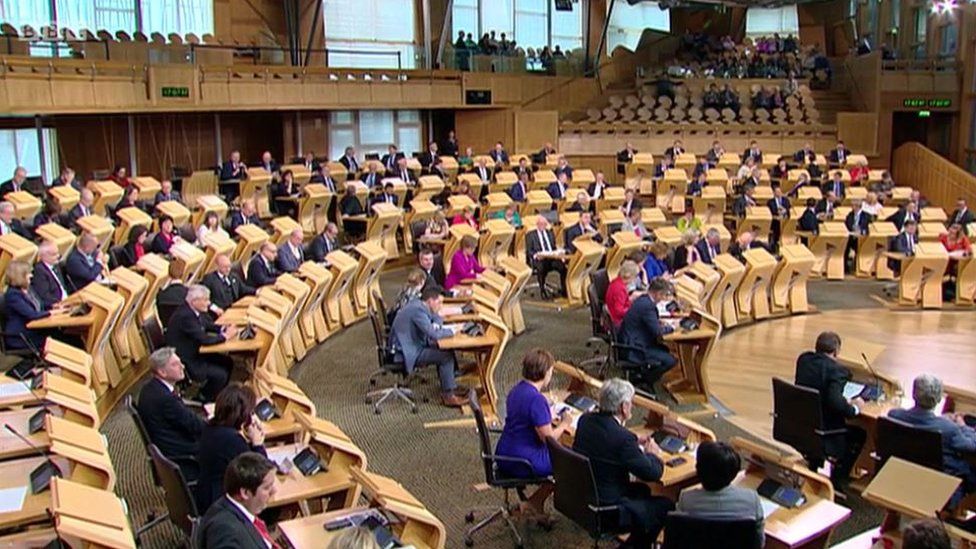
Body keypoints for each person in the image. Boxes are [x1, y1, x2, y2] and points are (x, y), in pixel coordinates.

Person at [573, 378, 673, 547]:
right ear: (623, 407)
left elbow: (608, 435)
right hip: (607, 506)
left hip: (584, 496)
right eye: (631, 403)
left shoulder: (585, 421)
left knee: (643, 491)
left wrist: (634, 438)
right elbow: (653, 473)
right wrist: (653, 454)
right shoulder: (623, 440)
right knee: (666, 506)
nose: (632, 407)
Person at [494, 349, 569, 516]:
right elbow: (548, 440)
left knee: (564, 456)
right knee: (569, 462)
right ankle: (536, 502)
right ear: (545, 372)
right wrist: (564, 424)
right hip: (523, 460)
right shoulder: (537, 400)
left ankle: (536, 502)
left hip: (504, 453)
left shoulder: (516, 390)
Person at [794, 331, 866, 490]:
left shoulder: (803, 360)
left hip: (802, 426)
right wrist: (854, 407)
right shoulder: (837, 371)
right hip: (824, 431)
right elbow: (835, 403)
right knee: (859, 434)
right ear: (836, 352)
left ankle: (814, 462)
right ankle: (838, 479)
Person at [890, 375, 976, 499]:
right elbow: (972, 445)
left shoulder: (894, 416)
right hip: (941, 485)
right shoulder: (950, 429)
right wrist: (962, 425)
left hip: (904, 475)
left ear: (913, 394)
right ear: (939, 399)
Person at [137, 347, 206, 482]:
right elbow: (197, 427)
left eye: (180, 362)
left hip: (168, 443)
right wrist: (215, 419)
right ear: (162, 372)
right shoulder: (166, 399)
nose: (182, 366)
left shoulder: (149, 388)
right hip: (180, 452)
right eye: (175, 364)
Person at [389, 287, 466, 407]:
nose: (441, 306)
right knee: (445, 356)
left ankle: (450, 387)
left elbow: (436, 316)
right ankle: (448, 395)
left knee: (445, 349)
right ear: (430, 301)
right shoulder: (418, 311)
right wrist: (454, 330)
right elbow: (434, 334)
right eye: (439, 302)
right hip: (406, 351)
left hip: (413, 343)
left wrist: (436, 323)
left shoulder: (419, 305)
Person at [196, 384, 268, 512]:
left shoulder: (210, 427)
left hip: (205, 492)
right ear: (243, 415)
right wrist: (257, 444)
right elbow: (262, 473)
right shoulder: (233, 440)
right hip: (220, 504)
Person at [676, 441, 764, 546]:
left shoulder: (686, 499)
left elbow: (680, 539)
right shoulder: (751, 499)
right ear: (734, 472)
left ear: (698, 470)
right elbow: (759, 543)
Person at [166, 285, 238, 402]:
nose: (208, 303)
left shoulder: (192, 311)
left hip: (196, 352)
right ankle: (204, 397)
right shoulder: (186, 316)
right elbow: (204, 339)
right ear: (195, 301)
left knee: (227, 362)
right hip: (189, 360)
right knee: (221, 375)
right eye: (205, 300)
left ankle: (218, 395)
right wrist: (225, 336)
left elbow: (206, 325)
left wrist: (224, 328)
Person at [197, 452, 277, 549]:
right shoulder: (224, 531)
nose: (274, 491)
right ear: (245, 493)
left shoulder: (229, 506)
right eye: (267, 487)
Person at [618, 278, 678, 386]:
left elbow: (647, 321)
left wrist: (658, 321)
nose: (663, 299)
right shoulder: (648, 306)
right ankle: (643, 380)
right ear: (658, 294)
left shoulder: (643, 299)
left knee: (665, 349)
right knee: (671, 360)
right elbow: (658, 333)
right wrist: (673, 327)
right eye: (663, 295)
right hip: (635, 348)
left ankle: (643, 375)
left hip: (631, 340)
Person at [3, 261, 66, 351]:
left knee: (64, 334)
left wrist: (54, 306)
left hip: (35, 331)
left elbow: (39, 304)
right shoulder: (13, 295)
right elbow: (32, 315)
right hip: (22, 336)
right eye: (28, 273)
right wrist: (52, 313)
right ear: (19, 276)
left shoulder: (27, 289)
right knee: (60, 338)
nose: (31, 276)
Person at [525, 216, 567, 299]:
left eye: (544, 224)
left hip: (551, 258)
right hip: (540, 259)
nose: (542, 226)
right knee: (541, 267)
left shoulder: (550, 233)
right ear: (537, 224)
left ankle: (564, 289)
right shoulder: (530, 235)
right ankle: (542, 290)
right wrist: (536, 256)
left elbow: (553, 247)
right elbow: (529, 251)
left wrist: (558, 253)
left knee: (563, 267)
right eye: (540, 224)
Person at [31, 242, 70, 311]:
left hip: (67, 302)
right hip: (56, 307)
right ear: (44, 256)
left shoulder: (56, 265)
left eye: (58, 253)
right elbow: (45, 296)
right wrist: (59, 304)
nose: (58, 256)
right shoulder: (39, 271)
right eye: (54, 254)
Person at [605, 261, 640, 327]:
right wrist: (633, 310)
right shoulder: (620, 289)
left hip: (614, 317)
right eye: (635, 276)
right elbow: (619, 311)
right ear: (630, 276)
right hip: (618, 322)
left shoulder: (615, 281)